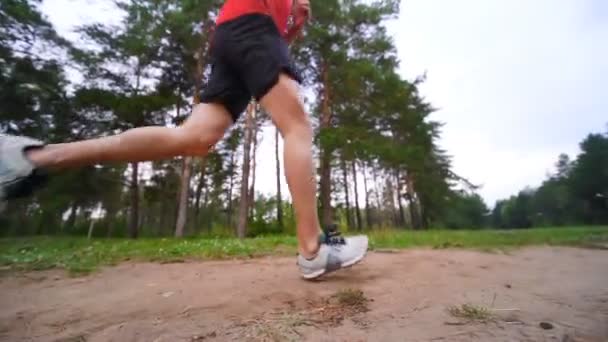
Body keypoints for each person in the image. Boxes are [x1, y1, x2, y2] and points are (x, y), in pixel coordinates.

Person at [0, 0, 368, 280]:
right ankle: (312, 246)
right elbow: (264, 41)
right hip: (248, 25)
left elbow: (271, 47)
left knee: (195, 136)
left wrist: (291, 27)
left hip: (233, 34)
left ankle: (34, 157)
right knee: (298, 126)